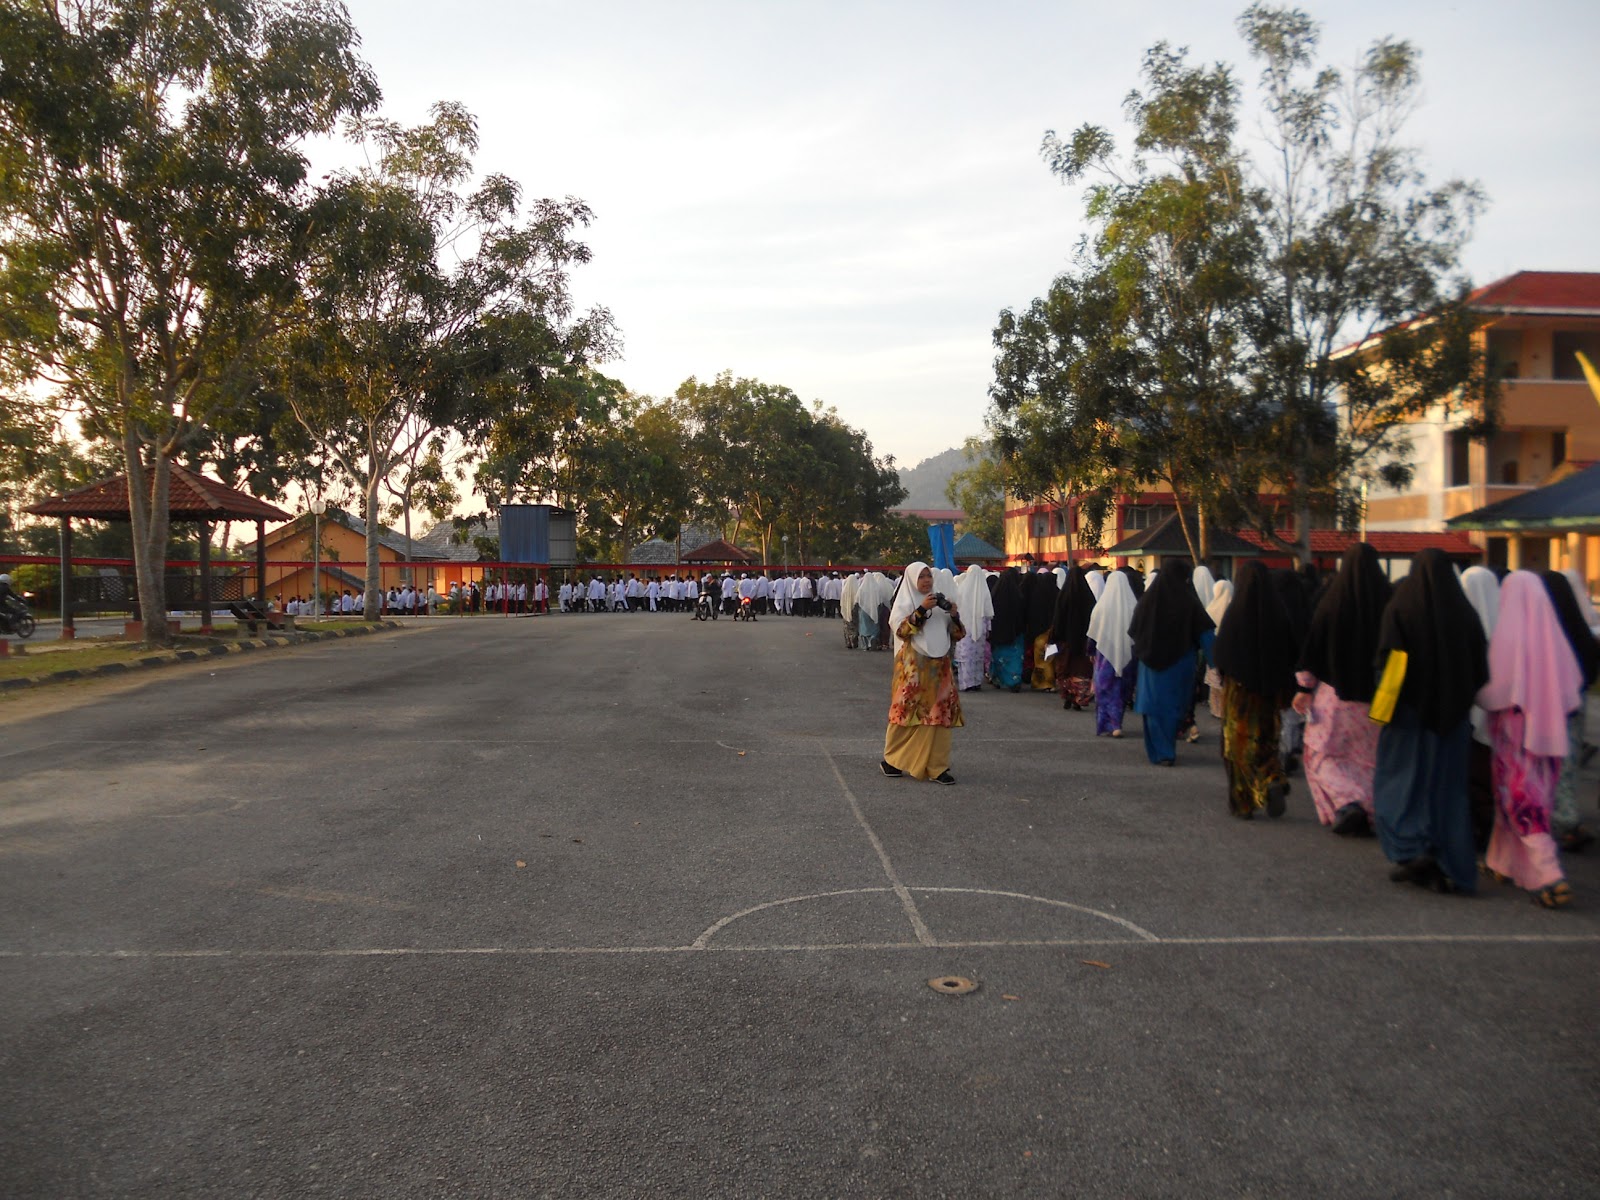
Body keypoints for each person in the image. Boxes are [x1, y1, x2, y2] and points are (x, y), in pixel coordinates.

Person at [1372, 549, 1489, 896]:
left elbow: (1391, 665)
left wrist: (1384, 711)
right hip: (1451, 719)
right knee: (1448, 792)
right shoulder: (1465, 613)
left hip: (1408, 715)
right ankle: (1450, 863)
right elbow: (1479, 667)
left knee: (1402, 783)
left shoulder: (1401, 609)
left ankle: (1411, 848)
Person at [1479, 571, 1584, 907]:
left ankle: (1548, 875)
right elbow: (1573, 691)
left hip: (1515, 736)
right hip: (1550, 738)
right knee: (1527, 798)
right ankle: (1501, 861)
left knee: (1522, 803)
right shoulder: (1555, 638)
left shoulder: (1507, 638)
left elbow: (1492, 692)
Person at [1293, 543, 1392, 836]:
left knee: (1322, 753)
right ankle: (1373, 810)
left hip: (1336, 698)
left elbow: (1314, 646)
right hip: (1379, 699)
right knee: (1370, 760)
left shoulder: (1332, 601)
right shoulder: (1391, 601)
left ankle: (1348, 803)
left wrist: (1304, 687)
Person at [1213, 560, 1298, 818]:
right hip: (1270, 693)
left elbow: (1222, 655)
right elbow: (1291, 654)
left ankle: (1244, 802)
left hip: (1239, 694)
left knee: (1237, 748)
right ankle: (1272, 778)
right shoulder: (1280, 614)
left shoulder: (1235, 614)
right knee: (1266, 741)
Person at [881, 562, 965, 784]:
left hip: (939, 670)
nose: (927, 580)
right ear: (911, 580)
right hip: (914, 671)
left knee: (939, 716)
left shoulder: (941, 605)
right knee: (907, 713)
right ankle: (892, 760)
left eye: (929, 576)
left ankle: (937, 767)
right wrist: (921, 609)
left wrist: (954, 616)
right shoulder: (905, 604)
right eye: (921, 577)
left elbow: (958, 634)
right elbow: (901, 631)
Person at [1128, 559, 1216, 766]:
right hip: (1179, 664)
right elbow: (1206, 634)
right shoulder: (1189, 602)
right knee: (1172, 707)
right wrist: (1216, 663)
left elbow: (1134, 630)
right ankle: (1166, 751)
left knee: (1152, 708)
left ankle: (1157, 751)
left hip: (1149, 664)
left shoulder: (1148, 601)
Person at [1540, 571, 1598, 855]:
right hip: (1577, 706)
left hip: (1549, 709)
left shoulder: (1544, 627)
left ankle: (1561, 821)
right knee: (1569, 765)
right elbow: (1590, 667)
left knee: (1549, 766)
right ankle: (1569, 818)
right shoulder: (1577, 626)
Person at [1085, 569, 1138, 737]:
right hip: (1128, 655)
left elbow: (1093, 633)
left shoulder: (1101, 607)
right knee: (1122, 689)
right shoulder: (1134, 606)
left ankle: (1111, 723)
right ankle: (1117, 722)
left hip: (1105, 656)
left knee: (1106, 689)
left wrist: (1090, 651)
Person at [1049, 565, 1097, 711]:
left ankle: (1067, 696)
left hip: (1065, 641)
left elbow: (1057, 619)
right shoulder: (1088, 597)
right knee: (1080, 670)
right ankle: (1078, 698)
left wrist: (1055, 637)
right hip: (1082, 641)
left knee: (1066, 669)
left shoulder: (1063, 596)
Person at [953, 564, 993, 688]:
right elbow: (988, 613)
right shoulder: (985, 591)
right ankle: (976, 682)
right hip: (979, 629)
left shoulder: (961, 590)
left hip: (965, 629)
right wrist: (988, 629)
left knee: (966, 657)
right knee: (977, 657)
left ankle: (966, 683)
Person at [987, 569, 1027, 691]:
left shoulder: (995, 595)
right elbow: (1022, 616)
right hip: (1015, 634)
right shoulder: (1018, 596)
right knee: (1014, 657)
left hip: (999, 634)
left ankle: (997, 678)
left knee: (1000, 656)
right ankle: (1014, 680)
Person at [1202, 579, 1233, 718]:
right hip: (1229, 651)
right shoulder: (1235, 609)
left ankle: (1216, 709)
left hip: (1213, 651)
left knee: (1215, 681)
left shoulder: (1210, 608)